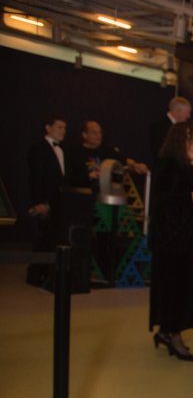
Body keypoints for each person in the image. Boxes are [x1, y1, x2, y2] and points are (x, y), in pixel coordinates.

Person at [148, 121, 193, 361]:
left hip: (190, 240)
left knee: (186, 288)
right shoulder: (169, 164)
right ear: (182, 140)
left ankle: (168, 332)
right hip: (172, 241)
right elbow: (161, 201)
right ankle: (172, 334)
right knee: (174, 288)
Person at [25, 113, 66, 287]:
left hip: (59, 203)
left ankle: (46, 274)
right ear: (48, 128)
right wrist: (39, 202)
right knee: (44, 239)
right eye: (59, 127)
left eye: (64, 128)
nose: (63, 131)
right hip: (45, 202)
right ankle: (35, 275)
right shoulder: (38, 149)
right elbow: (36, 178)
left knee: (52, 239)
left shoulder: (63, 150)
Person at [66, 120, 148, 190]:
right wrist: (89, 176)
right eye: (94, 133)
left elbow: (125, 160)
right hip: (82, 195)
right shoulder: (74, 152)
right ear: (84, 135)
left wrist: (136, 165)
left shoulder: (108, 151)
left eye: (100, 132)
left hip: (105, 196)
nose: (98, 136)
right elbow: (70, 177)